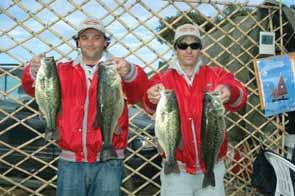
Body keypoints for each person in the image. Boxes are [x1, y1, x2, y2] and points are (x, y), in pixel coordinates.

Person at [21, 17, 148, 196]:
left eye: (96, 37)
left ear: (105, 42)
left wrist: (130, 72)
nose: (90, 42)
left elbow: (138, 93)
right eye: (85, 37)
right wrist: (33, 71)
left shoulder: (117, 69)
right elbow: (31, 88)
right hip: (71, 161)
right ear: (78, 42)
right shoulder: (62, 71)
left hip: (109, 161)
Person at [142, 23, 248, 196]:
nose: (189, 50)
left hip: (214, 166)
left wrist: (230, 91)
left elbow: (242, 97)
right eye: (183, 45)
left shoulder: (217, 75)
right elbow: (147, 105)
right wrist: (151, 96)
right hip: (177, 170)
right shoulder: (162, 78)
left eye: (195, 45)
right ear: (176, 49)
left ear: (201, 49)